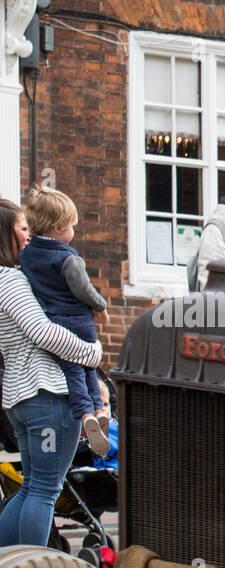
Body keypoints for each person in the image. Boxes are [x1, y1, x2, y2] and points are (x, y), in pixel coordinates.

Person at [0, 198, 104, 547]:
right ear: (5, 233)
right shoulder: (11, 281)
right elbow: (43, 332)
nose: (30, 235)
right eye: (23, 228)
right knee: (45, 489)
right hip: (46, 394)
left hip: (22, 398)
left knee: (31, 486)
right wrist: (92, 353)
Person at [18, 186, 111, 456]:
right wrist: (100, 305)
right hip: (79, 320)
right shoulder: (68, 258)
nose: (74, 231)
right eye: (72, 226)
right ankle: (93, 411)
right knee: (87, 367)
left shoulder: (25, 255)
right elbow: (83, 289)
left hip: (53, 320)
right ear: (59, 226)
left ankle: (92, 415)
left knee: (74, 370)